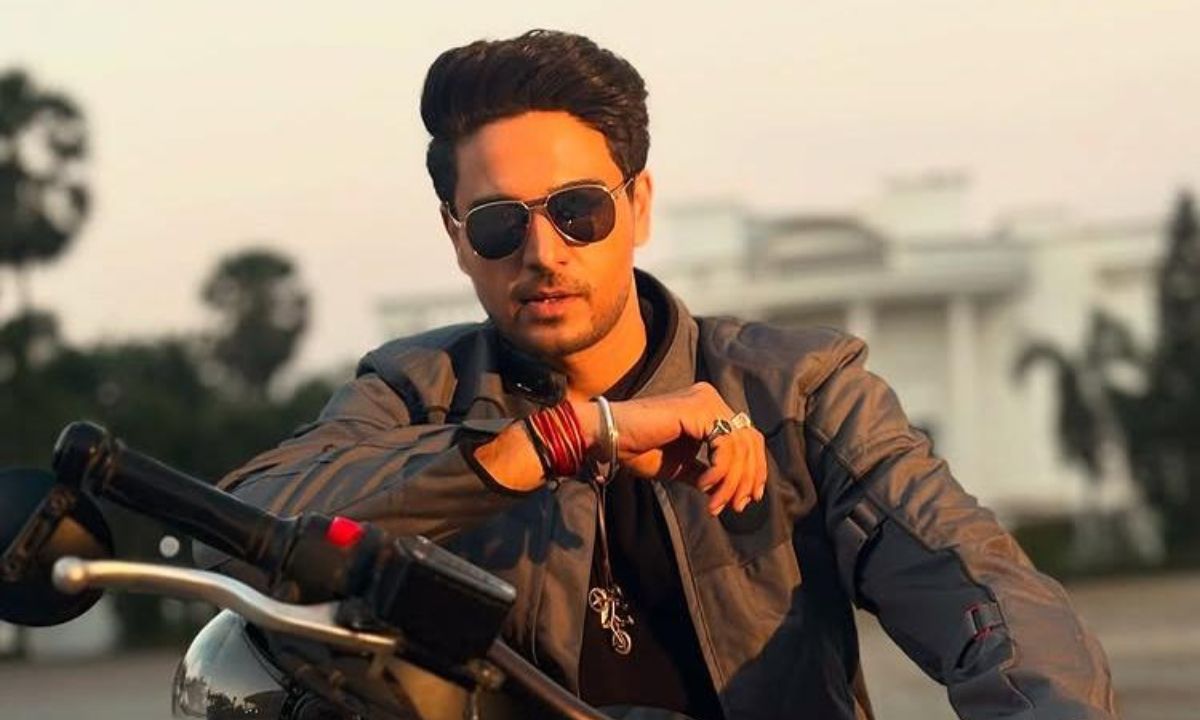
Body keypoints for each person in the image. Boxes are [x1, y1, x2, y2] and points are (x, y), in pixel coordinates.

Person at [211, 29, 1116, 720]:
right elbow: (244, 524)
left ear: (638, 205)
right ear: (456, 237)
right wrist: (556, 441)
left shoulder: (800, 392)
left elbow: (979, 589)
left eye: (578, 210)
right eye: (498, 223)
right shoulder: (416, 391)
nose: (543, 252)